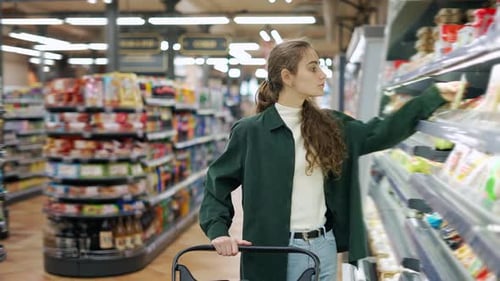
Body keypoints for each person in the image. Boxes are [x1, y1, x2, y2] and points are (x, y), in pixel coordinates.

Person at [199, 39, 463, 281]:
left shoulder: (331, 125)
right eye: (313, 68)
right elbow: (217, 182)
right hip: (272, 249)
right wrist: (218, 230)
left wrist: (433, 97)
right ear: (287, 77)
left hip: (323, 246)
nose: (322, 75)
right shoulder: (251, 132)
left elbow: (380, 132)